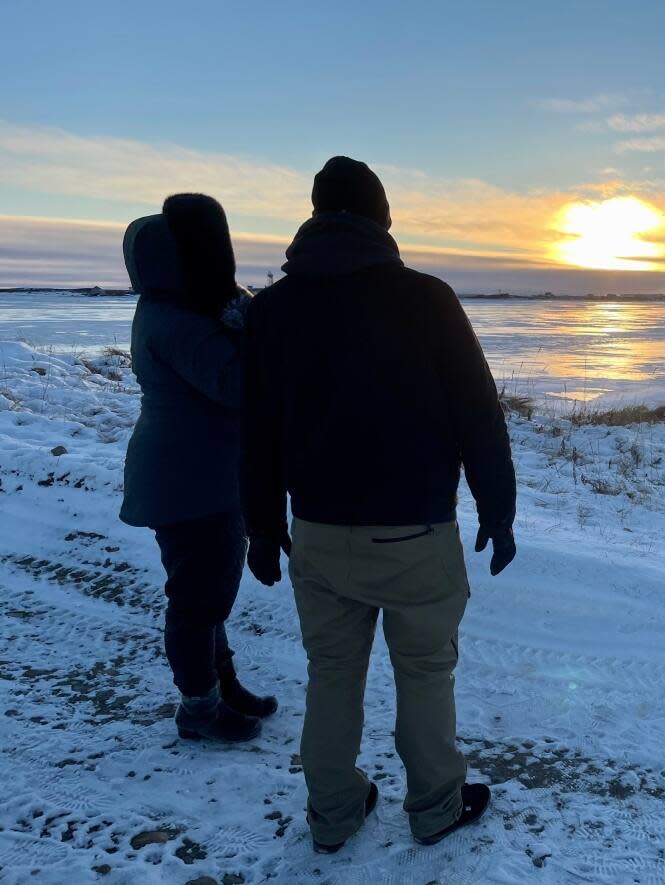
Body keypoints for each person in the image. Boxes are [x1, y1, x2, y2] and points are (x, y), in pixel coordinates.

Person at [241, 156, 517, 853]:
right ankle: (435, 804)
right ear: (382, 219)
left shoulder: (270, 311)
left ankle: (333, 812)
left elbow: (256, 431)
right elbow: (478, 413)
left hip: (320, 533)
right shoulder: (428, 299)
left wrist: (262, 527)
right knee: (424, 671)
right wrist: (498, 509)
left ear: (313, 217)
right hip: (416, 533)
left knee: (331, 672)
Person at [121, 194, 277, 744]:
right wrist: (255, 327)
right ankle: (199, 709)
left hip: (194, 473)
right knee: (198, 598)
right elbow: (240, 385)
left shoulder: (175, 311)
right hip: (187, 480)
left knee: (208, 592)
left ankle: (222, 685)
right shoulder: (178, 323)